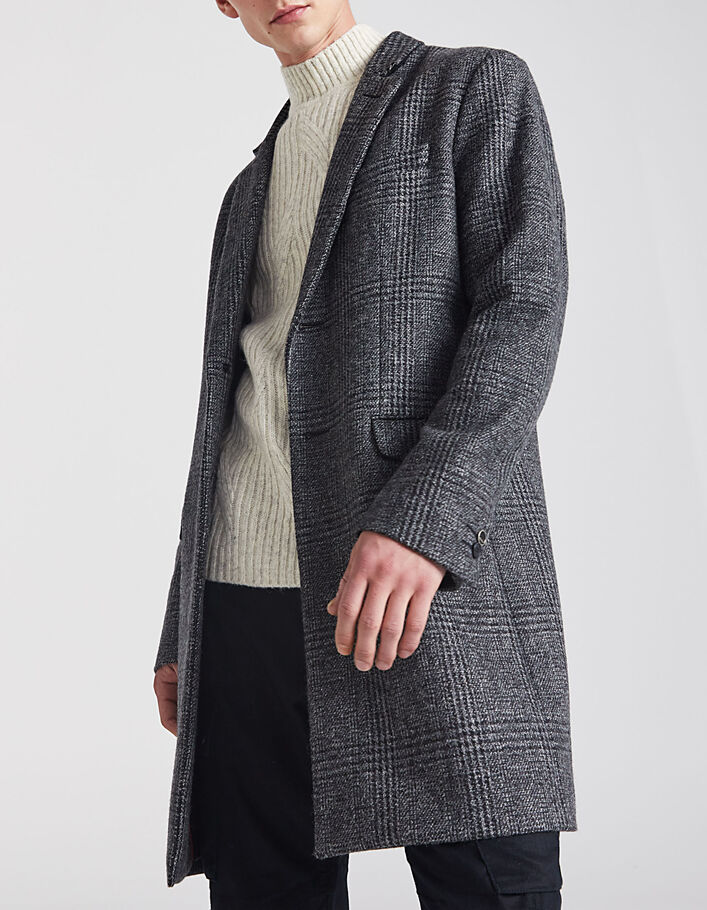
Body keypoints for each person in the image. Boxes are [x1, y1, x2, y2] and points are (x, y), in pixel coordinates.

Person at [153, 1, 576, 907]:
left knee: (492, 885)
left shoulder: (469, 88)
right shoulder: (248, 188)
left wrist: (422, 523)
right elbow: (229, 408)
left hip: (419, 576)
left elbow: (523, 309)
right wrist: (185, 620)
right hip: (243, 599)